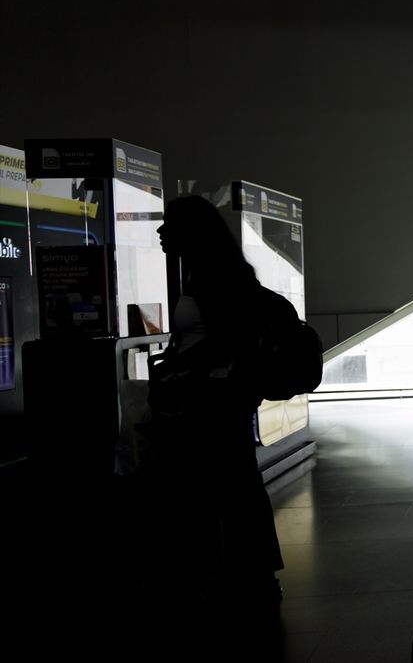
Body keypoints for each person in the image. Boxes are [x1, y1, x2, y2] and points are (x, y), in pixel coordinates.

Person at [149, 195, 284, 618]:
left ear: (191, 231)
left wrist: (176, 364)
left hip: (213, 402)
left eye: (169, 224)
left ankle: (236, 577)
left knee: (225, 488)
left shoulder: (211, 277)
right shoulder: (213, 272)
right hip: (223, 400)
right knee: (236, 486)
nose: (160, 231)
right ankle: (251, 576)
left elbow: (226, 340)